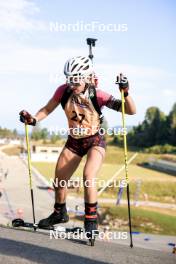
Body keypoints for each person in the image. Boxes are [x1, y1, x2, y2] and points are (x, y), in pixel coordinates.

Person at [19, 56, 136, 237]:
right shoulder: (63, 91)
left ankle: (91, 220)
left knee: (88, 176)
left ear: (86, 77)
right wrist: (33, 119)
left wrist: (125, 92)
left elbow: (130, 111)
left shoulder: (97, 94)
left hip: (94, 141)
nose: (71, 84)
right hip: (74, 141)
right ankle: (60, 213)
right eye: (69, 79)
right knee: (59, 180)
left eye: (75, 79)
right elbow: (47, 109)